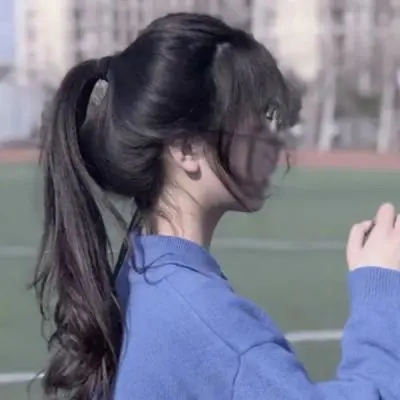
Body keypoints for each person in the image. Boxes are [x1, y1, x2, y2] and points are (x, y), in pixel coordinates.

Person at [33, 12, 400, 400]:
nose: (272, 142)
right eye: (255, 122)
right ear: (187, 148)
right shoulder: (203, 319)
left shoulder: (142, 277)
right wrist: (380, 285)